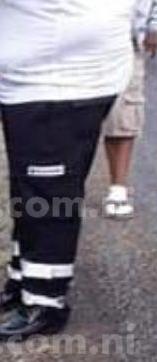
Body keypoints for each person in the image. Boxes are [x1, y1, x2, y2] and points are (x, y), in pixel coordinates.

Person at [0, 1, 136, 340]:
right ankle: (24, 279)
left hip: (62, 81)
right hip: (35, 80)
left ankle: (46, 301)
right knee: (28, 185)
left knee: (49, 192)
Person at [102, 0, 157, 219]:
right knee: (71, 117)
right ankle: (65, 186)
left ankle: (118, 188)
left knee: (124, 113)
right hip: (75, 45)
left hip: (126, 41)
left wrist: (154, 25)